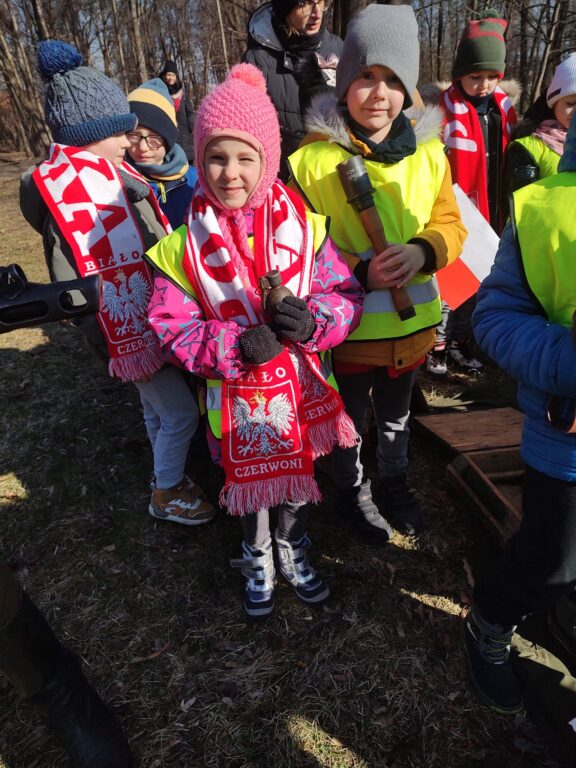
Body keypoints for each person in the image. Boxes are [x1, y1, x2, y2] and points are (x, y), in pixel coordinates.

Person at [145, 63, 363, 619]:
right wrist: (235, 348)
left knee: (294, 484)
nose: (230, 173)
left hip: (301, 394)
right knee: (249, 488)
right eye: (216, 156)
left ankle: (293, 545)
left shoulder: (305, 227)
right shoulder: (181, 247)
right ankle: (255, 551)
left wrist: (313, 323)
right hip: (234, 400)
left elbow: (345, 295)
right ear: (199, 158)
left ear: (267, 162)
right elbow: (173, 327)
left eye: (246, 158)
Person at [288, 4, 467, 540]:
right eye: (366, 75)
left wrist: (423, 251)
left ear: (407, 90)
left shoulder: (430, 156)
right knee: (348, 417)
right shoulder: (310, 163)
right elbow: (299, 246)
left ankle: (394, 482)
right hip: (349, 328)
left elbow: (450, 223)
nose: (379, 92)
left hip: (413, 328)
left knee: (394, 417)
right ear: (344, 81)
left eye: (393, 80)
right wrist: (359, 274)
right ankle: (352, 490)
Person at [19, 40, 215, 527]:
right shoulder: (78, 201)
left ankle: (161, 470)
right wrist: (100, 335)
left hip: (142, 320)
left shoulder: (111, 180)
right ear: (93, 135)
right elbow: (74, 286)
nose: (131, 141)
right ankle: (167, 492)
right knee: (180, 412)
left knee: (157, 409)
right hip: (120, 329)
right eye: (121, 133)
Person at [464, 112, 576, 716]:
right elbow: (495, 318)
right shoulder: (543, 210)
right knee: (549, 560)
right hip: (567, 440)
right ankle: (489, 621)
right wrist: (568, 357)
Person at [435, 14, 517, 374]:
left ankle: (460, 342)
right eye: (475, 77)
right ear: (459, 75)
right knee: (449, 283)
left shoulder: (504, 108)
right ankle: (435, 344)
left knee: (481, 280)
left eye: (490, 77)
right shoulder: (445, 109)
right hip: (459, 205)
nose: (483, 85)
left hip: (494, 207)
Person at [243, 0, 343, 179]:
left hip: (336, 179)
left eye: (321, 2)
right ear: (285, 9)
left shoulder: (339, 48)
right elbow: (249, 136)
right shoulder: (257, 61)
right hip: (286, 182)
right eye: (304, 4)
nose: (317, 13)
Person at [502, 53, 576, 216]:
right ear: (553, 102)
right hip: (546, 236)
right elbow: (521, 209)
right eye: (570, 103)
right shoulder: (530, 148)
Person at [127, 77, 198, 229]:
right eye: (134, 135)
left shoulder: (194, 181)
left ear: (168, 139)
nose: (143, 147)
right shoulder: (122, 182)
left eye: (153, 138)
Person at [159, 60, 195, 163]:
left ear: (176, 77)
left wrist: (193, 127)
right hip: (170, 137)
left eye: (173, 75)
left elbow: (190, 112)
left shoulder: (182, 94)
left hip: (186, 137)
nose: (170, 78)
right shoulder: (161, 93)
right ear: (164, 76)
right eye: (168, 75)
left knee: (191, 166)